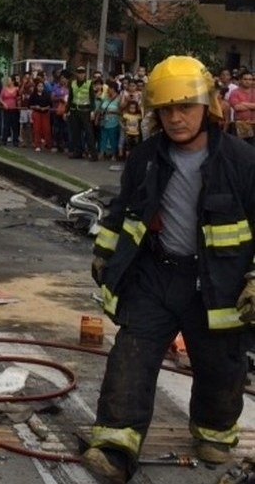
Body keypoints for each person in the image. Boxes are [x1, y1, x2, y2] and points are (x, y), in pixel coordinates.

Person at [83, 55, 255, 483]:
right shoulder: (146, 157)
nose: (176, 118)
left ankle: (214, 433)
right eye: (166, 110)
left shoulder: (241, 161)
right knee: (132, 353)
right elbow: (123, 210)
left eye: (185, 107)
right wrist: (105, 253)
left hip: (217, 284)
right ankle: (116, 446)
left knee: (220, 363)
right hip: (156, 277)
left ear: (207, 106)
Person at [67, 66, 98, 160]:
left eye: (82, 73)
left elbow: (92, 98)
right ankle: (78, 152)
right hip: (74, 110)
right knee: (76, 132)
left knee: (89, 133)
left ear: (85, 74)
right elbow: (70, 98)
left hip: (85, 110)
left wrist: (92, 111)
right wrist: (67, 110)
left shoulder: (89, 83)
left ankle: (93, 154)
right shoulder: (72, 83)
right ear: (76, 74)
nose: (81, 75)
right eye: (79, 73)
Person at [228, 68, 255, 143]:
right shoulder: (235, 92)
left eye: (250, 79)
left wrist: (243, 103)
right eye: (245, 79)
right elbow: (237, 107)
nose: (248, 81)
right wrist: (252, 106)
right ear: (240, 80)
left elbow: (240, 106)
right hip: (240, 125)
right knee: (240, 147)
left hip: (254, 123)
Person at [28, 79, 52, 151]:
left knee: (46, 129)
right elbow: (29, 105)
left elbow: (50, 105)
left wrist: (45, 108)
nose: (40, 88)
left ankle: (48, 144)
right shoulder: (33, 95)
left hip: (45, 113)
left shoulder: (46, 95)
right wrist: (35, 106)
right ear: (36, 87)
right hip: (36, 113)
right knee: (37, 129)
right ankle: (37, 144)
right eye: (39, 86)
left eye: (42, 86)